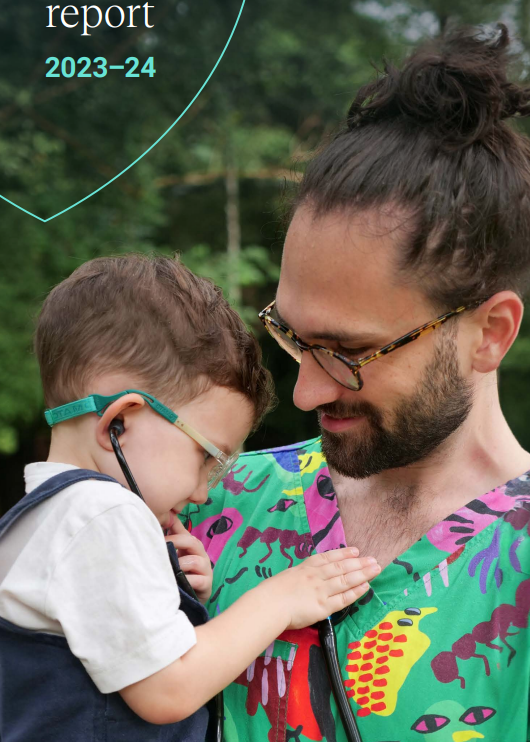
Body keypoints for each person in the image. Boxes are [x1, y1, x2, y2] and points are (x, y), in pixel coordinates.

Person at [183, 25, 530, 742]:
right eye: (292, 336)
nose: (304, 393)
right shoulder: (214, 502)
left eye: (349, 350)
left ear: (491, 333)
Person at [0, 254, 381, 742]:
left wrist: (172, 594)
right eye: (206, 457)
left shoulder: (41, 519)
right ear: (120, 423)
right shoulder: (103, 513)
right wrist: (282, 599)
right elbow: (168, 689)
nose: (203, 491)